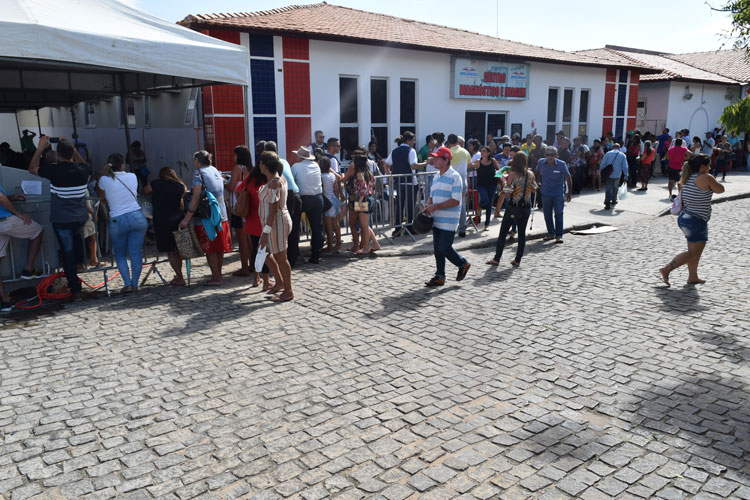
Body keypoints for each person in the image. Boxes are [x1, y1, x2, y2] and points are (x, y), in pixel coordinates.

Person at [29, 136, 90, 301]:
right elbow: (84, 163)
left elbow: (32, 169)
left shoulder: (53, 170)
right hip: (80, 218)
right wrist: (73, 148)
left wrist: (40, 148)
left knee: (68, 254)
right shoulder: (83, 170)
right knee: (77, 250)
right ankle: (79, 267)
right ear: (73, 153)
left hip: (62, 220)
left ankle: (76, 289)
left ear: (57, 154)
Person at [660, 154, 723, 287]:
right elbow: (721, 190)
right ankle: (666, 269)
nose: (710, 167)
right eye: (708, 165)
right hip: (696, 220)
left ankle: (692, 276)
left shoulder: (688, 177)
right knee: (693, 253)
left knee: (695, 251)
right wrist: (713, 180)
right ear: (702, 167)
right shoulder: (706, 177)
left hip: (686, 218)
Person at [96, 153, 148, 293]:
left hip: (117, 218)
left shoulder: (104, 180)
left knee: (120, 254)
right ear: (123, 164)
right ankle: (135, 284)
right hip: (136, 216)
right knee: (136, 252)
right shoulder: (132, 176)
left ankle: (127, 284)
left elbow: (100, 196)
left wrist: (102, 173)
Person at [179, 151, 232, 286]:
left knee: (211, 249)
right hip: (221, 214)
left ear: (197, 160)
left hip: (207, 216)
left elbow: (196, 196)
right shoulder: (215, 170)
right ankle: (218, 274)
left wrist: (187, 217)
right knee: (219, 247)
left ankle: (216, 277)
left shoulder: (199, 174)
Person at [423, 147, 470, 287]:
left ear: (446, 160)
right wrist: (428, 205)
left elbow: (456, 200)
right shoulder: (437, 175)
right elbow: (432, 196)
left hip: (449, 220)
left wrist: (435, 207)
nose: (434, 160)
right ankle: (440, 276)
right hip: (436, 218)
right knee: (438, 249)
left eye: (437, 158)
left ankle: (463, 263)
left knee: (444, 247)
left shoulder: (455, 177)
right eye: (434, 157)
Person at [486, 152, 537, 267]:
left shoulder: (513, 174)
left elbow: (508, 193)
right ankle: (517, 260)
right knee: (522, 234)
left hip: (514, 206)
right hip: (526, 206)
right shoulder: (531, 174)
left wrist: (504, 182)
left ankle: (497, 259)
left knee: (503, 233)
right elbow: (534, 189)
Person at [258, 152, 294, 303]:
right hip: (275, 222)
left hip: (276, 223)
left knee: (280, 256)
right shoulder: (276, 179)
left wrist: (266, 232)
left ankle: (288, 290)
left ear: (265, 166)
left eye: (260, 163)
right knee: (264, 252)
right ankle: (280, 282)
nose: (258, 166)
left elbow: (273, 211)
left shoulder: (274, 183)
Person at [0, 186, 44, 311]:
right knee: (38, 230)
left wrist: (10, 198)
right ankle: (28, 269)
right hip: (4, 221)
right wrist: (18, 213)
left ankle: (5, 300)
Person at [144, 167, 186, 286]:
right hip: (177, 219)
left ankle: (179, 276)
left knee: (170, 251)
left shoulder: (156, 184)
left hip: (163, 221)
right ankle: (179, 274)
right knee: (177, 250)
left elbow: (145, 190)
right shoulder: (180, 186)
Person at [264, 141, 302, 267]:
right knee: (294, 229)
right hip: (295, 193)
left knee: (284, 230)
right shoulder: (284, 161)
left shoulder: (272, 165)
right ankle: (293, 258)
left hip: (288, 195)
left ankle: (286, 260)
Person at [384, 132, 424, 237]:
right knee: (410, 206)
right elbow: (414, 166)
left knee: (400, 205)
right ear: (408, 141)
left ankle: (397, 228)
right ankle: (409, 228)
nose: (414, 142)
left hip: (398, 182)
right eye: (413, 140)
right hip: (410, 182)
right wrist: (426, 163)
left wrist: (389, 176)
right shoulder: (411, 151)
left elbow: (386, 164)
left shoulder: (395, 151)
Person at [241, 156, 273, 290]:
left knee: (255, 249)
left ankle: (256, 278)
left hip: (251, 218)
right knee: (264, 251)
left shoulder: (249, 179)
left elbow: (239, 190)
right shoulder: (267, 181)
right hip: (262, 219)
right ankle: (266, 281)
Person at [291, 146, 324, 264]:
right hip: (318, 197)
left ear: (300, 156)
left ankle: (293, 256)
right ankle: (316, 255)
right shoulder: (316, 165)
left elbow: (291, 180)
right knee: (316, 229)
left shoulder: (296, 166)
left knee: (295, 228)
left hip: (304, 198)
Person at [342, 155, 379, 254]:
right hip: (369, 199)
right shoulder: (369, 173)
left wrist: (360, 201)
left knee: (364, 226)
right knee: (365, 225)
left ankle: (366, 248)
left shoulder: (359, 173)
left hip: (363, 200)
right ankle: (375, 244)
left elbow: (364, 188)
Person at [536, 146, 572, 243]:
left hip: (558, 193)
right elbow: (537, 173)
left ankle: (559, 235)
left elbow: (568, 178)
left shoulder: (562, 164)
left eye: (552, 155)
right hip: (545, 193)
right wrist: (537, 183)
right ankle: (551, 233)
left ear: (556, 155)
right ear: (545, 155)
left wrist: (569, 193)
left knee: (558, 214)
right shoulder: (541, 162)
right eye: (548, 155)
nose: (550, 157)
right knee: (547, 215)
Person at [229, 145, 252, 277]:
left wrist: (222, 182)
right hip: (248, 207)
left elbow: (232, 187)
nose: (233, 157)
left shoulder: (238, 168)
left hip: (239, 207)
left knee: (241, 239)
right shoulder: (250, 169)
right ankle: (252, 264)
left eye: (234, 155)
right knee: (249, 239)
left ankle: (244, 267)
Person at [446, 134, 471, 237]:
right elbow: (469, 165)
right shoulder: (465, 152)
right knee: (462, 205)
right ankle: (462, 228)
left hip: (450, 182)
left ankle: (450, 228)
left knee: (448, 205)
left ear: (448, 142)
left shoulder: (448, 152)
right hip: (463, 182)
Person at [471, 146, 499, 230]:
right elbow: (470, 166)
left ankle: (487, 224)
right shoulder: (478, 162)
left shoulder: (493, 161)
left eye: (484, 151)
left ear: (488, 153)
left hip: (492, 184)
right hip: (481, 185)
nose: (482, 152)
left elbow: (498, 170)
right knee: (485, 199)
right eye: (481, 151)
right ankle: (479, 207)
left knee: (489, 205)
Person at [319, 156, 342, 253]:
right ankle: (338, 244)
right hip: (334, 200)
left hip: (328, 202)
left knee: (328, 227)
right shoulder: (332, 176)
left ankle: (330, 247)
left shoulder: (321, 177)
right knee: (336, 224)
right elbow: (335, 190)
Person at [599, 143, 628, 210]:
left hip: (608, 175)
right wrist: (626, 175)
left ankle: (607, 204)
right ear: (619, 148)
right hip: (617, 175)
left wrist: (601, 172)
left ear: (612, 147)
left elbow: (602, 164)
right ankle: (614, 200)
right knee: (615, 188)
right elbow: (625, 166)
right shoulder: (622, 155)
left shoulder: (608, 154)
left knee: (608, 189)